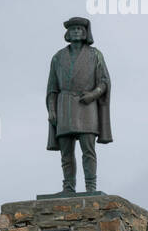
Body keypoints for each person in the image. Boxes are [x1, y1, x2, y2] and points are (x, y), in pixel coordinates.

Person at [46, 16, 112, 194]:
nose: (76, 31)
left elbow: (104, 81)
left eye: (79, 29)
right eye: (72, 29)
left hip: (86, 106)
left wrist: (93, 94)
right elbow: (52, 89)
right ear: (68, 33)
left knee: (88, 150)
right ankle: (68, 187)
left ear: (85, 33)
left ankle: (91, 187)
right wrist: (52, 111)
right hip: (65, 106)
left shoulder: (94, 54)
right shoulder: (58, 57)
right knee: (66, 153)